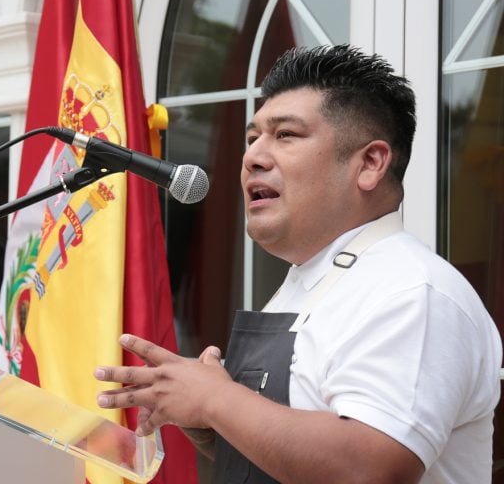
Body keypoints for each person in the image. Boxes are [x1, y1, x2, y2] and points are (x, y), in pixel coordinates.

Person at [94, 45, 502, 483]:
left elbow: (368, 468)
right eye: (252, 139)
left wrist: (217, 400)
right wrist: (203, 416)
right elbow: (289, 453)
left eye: (285, 135)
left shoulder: (412, 289)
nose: (252, 157)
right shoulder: (309, 282)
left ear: (370, 163)